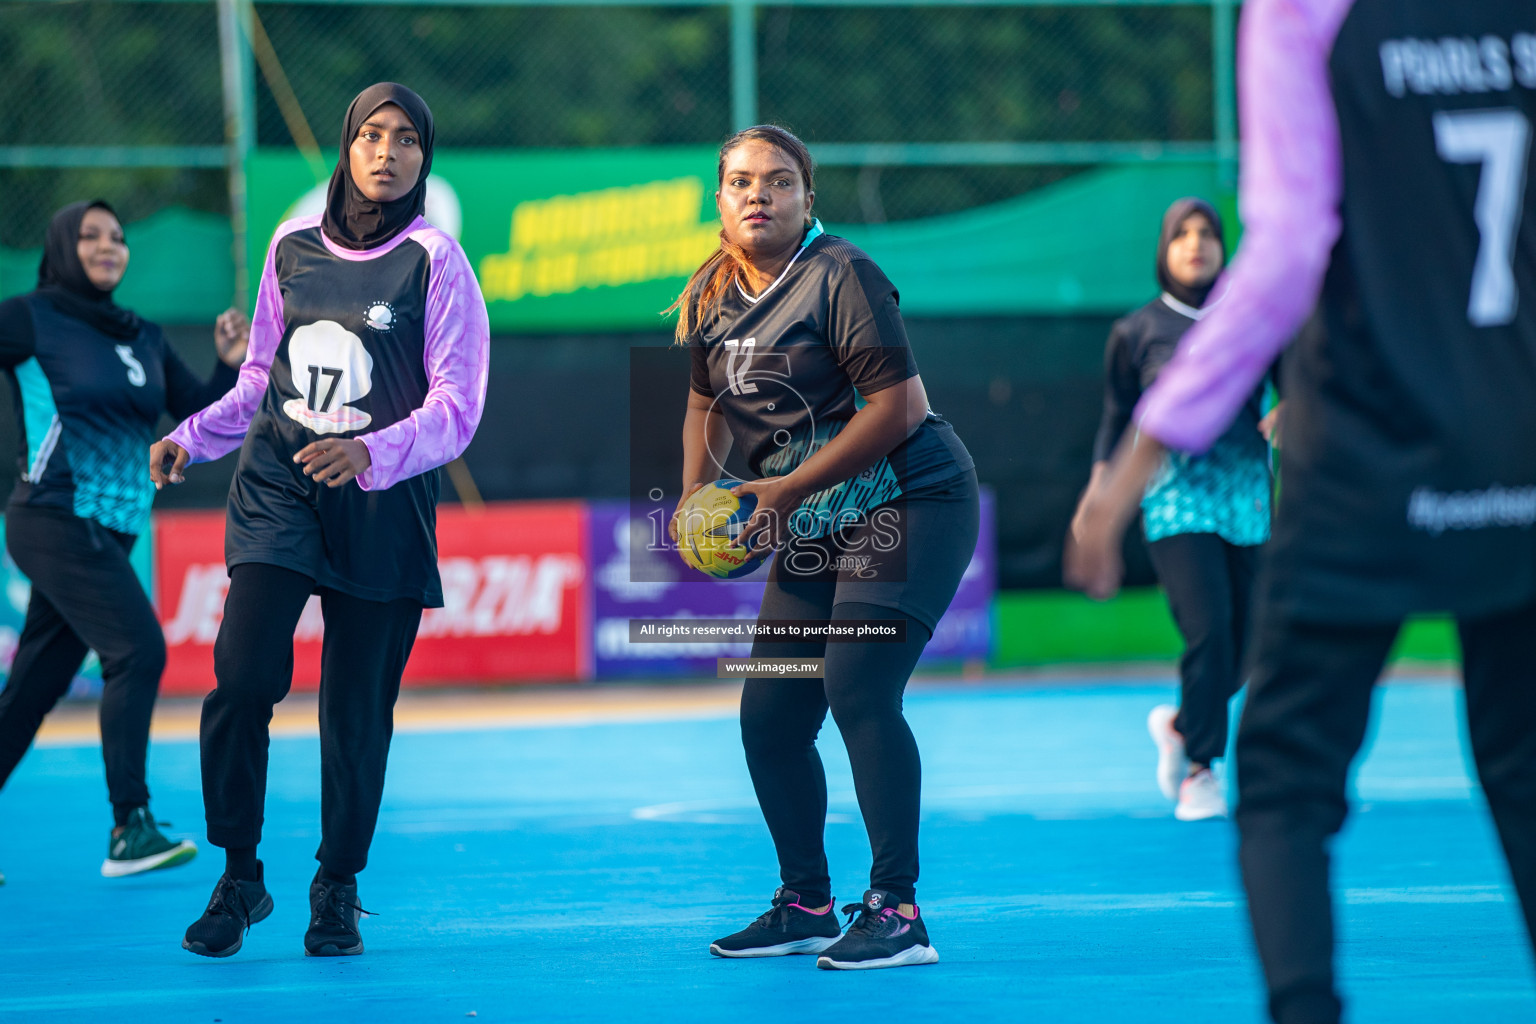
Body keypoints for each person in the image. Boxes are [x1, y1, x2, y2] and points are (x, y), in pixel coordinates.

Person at [1067, 1, 1536, 1021]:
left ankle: (1304, 1003)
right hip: (1517, 436)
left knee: (1284, 774)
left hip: (1371, 448)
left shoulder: (1304, 16)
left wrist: (1130, 465)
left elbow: (1284, 252)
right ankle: (1192, 744)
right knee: (1524, 759)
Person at [151, 83, 489, 959]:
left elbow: (459, 404)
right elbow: (262, 376)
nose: (387, 152)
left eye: (407, 139)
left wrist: (373, 452)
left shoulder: (437, 262)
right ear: (346, 148)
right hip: (279, 486)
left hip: (382, 505)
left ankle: (337, 884)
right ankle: (240, 876)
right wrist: (193, 437)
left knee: (355, 712)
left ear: (424, 156)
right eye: (371, 136)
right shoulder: (291, 248)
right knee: (242, 675)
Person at [669, 125, 978, 970]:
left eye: (777, 181)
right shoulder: (712, 295)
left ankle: (898, 910)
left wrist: (781, 491)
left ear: (808, 197)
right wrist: (699, 490)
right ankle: (805, 901)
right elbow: (703, 402)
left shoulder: (842, 274)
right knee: (770, 719)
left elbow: (900, 410)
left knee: (858, 685)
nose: (757, 194)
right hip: (814, 518)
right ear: (721, 199)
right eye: (739, 182)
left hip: (911, 497)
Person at [0, 199, 247, 880]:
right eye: (90, 235)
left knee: (31, 691)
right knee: (137, 649)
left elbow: (198, 416)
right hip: (51, 520)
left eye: (118, 238)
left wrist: (228, 366)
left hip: (108, 536)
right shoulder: (29, 317)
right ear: (60, 244)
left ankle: (129, 825)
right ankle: (128, 826)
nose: (109, 247)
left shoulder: (142, 335)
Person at [1072, 197, 1276, 821]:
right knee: (1209, 628)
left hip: (1249, 496)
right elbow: (1116, 421)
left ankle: (1185, 725)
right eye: (1182, 233)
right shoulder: (1136, 332)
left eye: (1208, 232)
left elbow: (1295, 384)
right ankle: (1200, 771)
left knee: (1249, 646)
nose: (1196, 243)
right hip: (1174, 499)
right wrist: (1096, 501)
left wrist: (1288, 412)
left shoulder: (1253, 319)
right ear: (1164, 248)